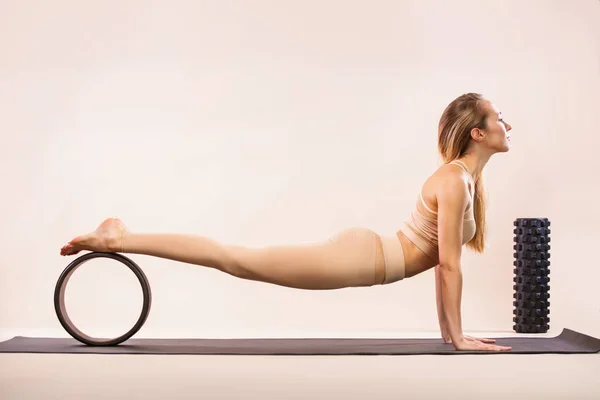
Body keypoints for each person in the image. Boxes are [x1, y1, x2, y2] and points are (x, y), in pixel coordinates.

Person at [60, 92, 513, 352]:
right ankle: (121, 236)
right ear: (477, 132)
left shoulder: (467, 181)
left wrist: (451, 335)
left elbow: (440, 264)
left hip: (368, 255)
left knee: (238, 260)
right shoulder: (455, 181)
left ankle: (123, 235)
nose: (506, 125)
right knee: (236, 260)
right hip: (361, 259)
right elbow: (449, 266)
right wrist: (457, 338)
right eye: (497, 119)